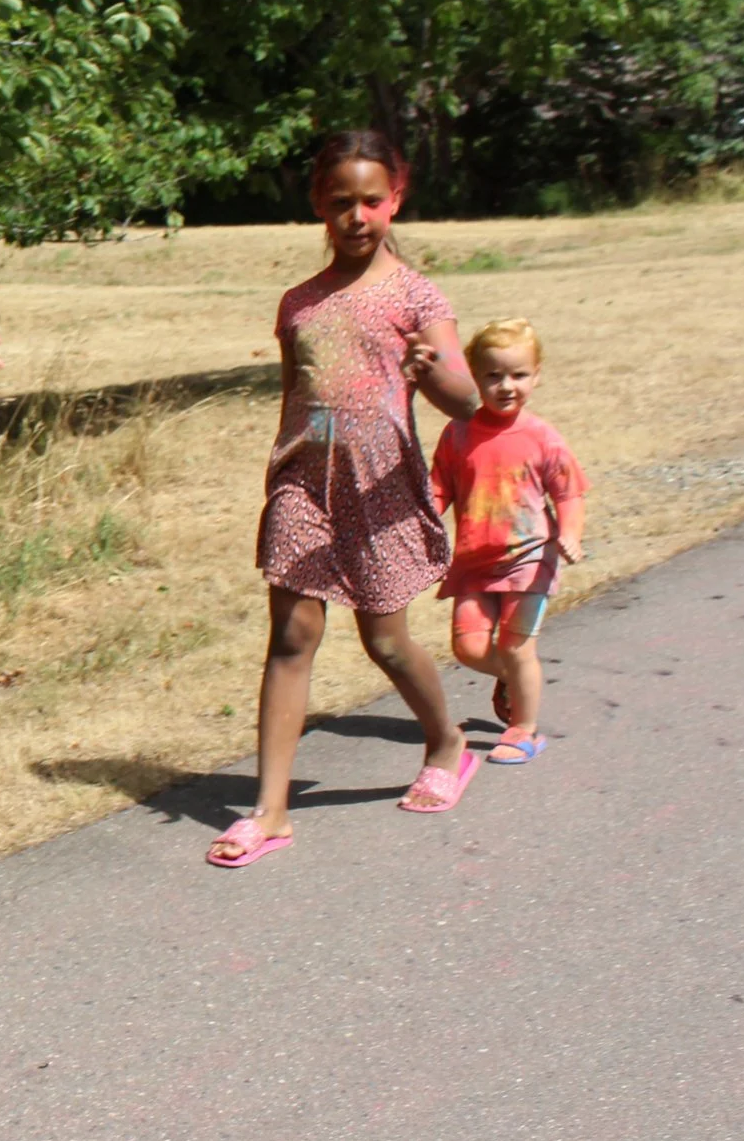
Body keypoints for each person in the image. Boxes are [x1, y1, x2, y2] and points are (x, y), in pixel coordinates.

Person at [209, 130, 484, 867]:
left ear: (396, 198)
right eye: (341, 202)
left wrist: (432, 372)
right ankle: (269, 811)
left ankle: (447, 742)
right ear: (318, 207)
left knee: (385, 641)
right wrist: (280, 474)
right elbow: (299, 396)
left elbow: (465, 399)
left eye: (371, 200)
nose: (357, 215)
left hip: (381, 484)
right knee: (292, 637)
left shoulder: (417, 294)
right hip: (306, 482)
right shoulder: (299, 303)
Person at [430, 317, 587, 765]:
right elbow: (439, 486)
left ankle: (525, 729)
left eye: (518, 375)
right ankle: (516, 680)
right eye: (493, 375)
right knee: (469, 647)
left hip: (530, 560)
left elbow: (569, 493)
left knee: (517, 648)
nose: (506, 386)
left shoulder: (542, 438)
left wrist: (571, 534)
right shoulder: (457, 432)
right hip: (474, 561)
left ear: (536, 376)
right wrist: (418, 520)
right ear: (475, 378)